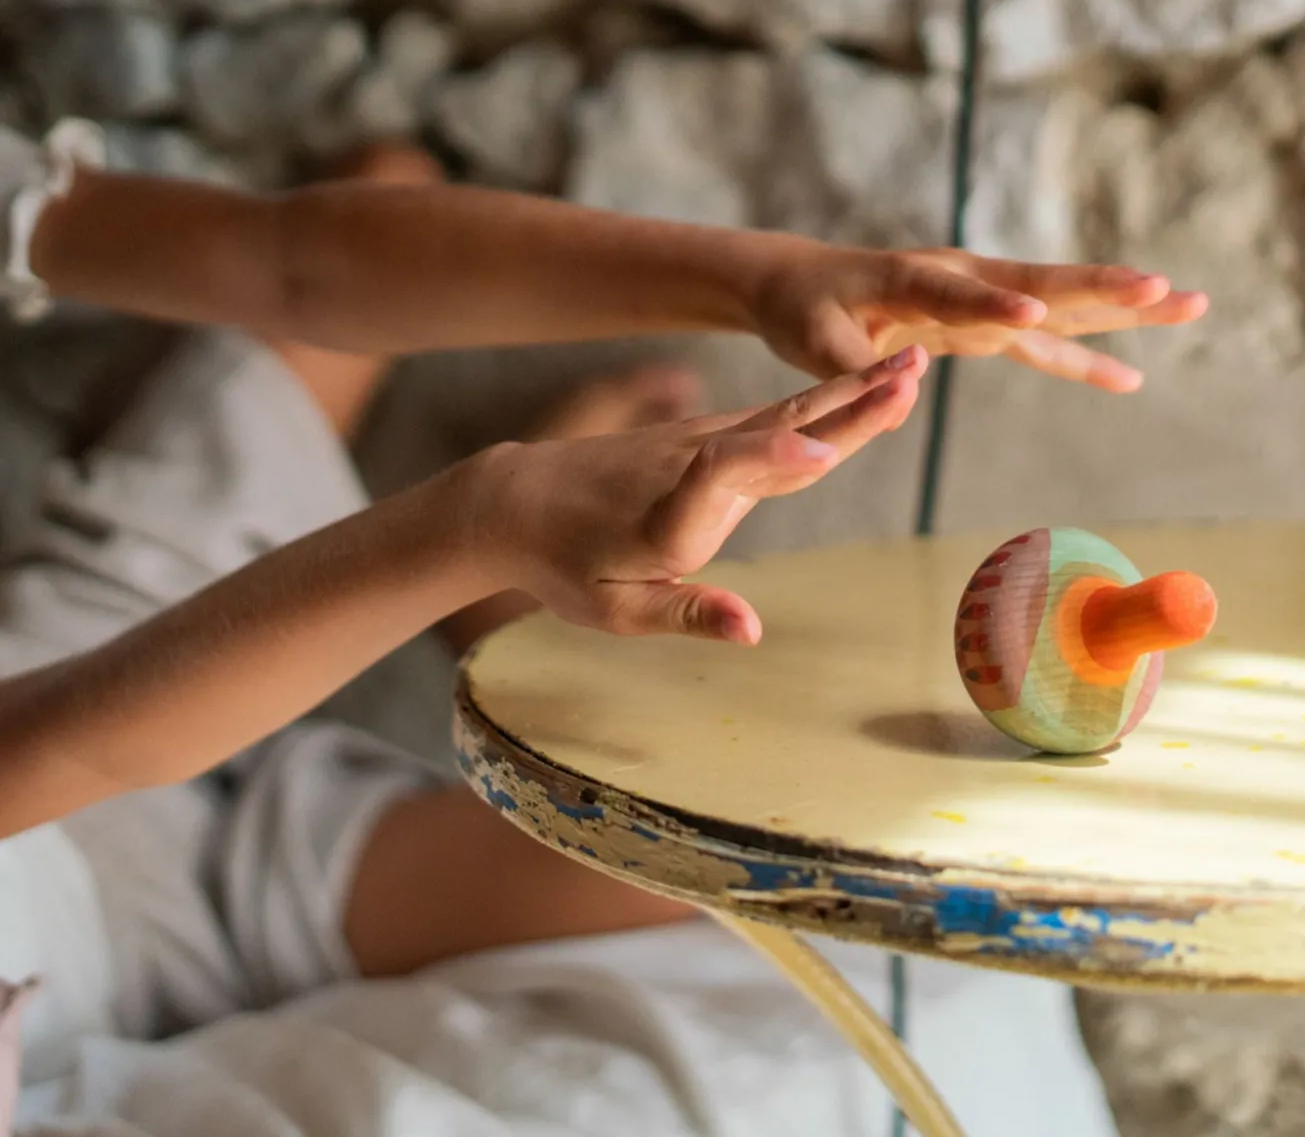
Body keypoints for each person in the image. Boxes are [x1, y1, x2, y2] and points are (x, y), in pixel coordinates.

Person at [0, 119, 1205, 1130]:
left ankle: (485, 621)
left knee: (378, 193)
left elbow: (289, 262)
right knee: (892, 996)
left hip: (99, 751)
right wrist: (476, 523)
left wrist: (764, 279)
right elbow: (57, 751)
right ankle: (499, 622)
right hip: (66, 791)